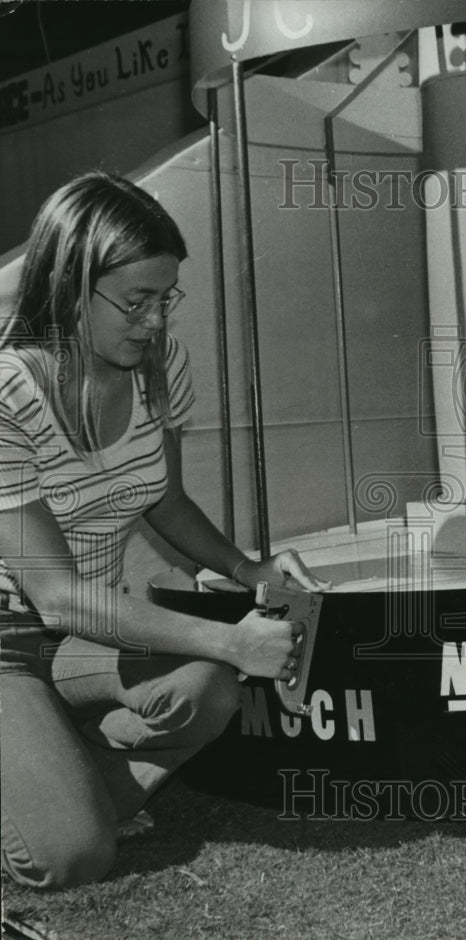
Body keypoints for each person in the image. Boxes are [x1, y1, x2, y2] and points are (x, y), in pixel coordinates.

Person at [0, 173, 331, 890]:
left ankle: (53, 768)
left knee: (206, 691)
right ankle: (49, 784)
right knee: (70, 855)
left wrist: (250, 571)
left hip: (83, 639)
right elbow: (54, 596)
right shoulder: (6, 397)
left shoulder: (158, 366)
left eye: (165, 299)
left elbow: (164, 498)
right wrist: (231, 638)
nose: (155, 323)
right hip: (9, 640)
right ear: (67, 284)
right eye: (135, 302)